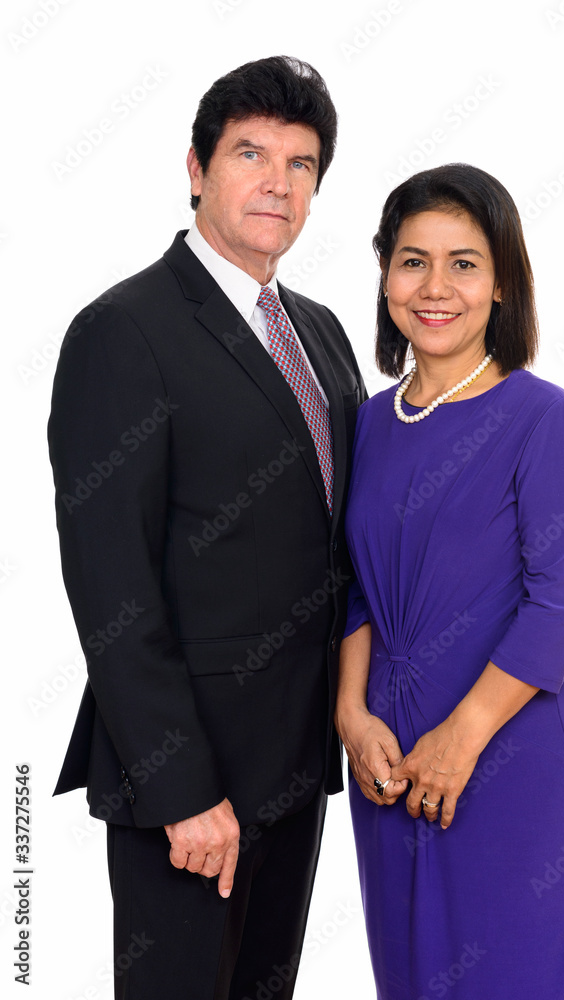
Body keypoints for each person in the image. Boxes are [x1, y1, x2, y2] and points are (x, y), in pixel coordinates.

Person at [47, 56, 366, 1000]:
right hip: (188, 787)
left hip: (297, 768)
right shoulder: (124, 329)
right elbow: (109, 581)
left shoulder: (320, 331)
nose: (278, 183)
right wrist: (180, 790)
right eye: (250, 154)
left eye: (300, 164)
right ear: (196, 168)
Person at [335, 163, 564, 1000]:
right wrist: (349, 715)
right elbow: (353, 585)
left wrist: (460, 741)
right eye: (412, 261)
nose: (435, 287)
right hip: (385, 759)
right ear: (385, 273)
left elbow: (556, 604)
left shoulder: (543, 419)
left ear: (500, 285)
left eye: (463, 263)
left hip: (508, 756)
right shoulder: (367, 423)